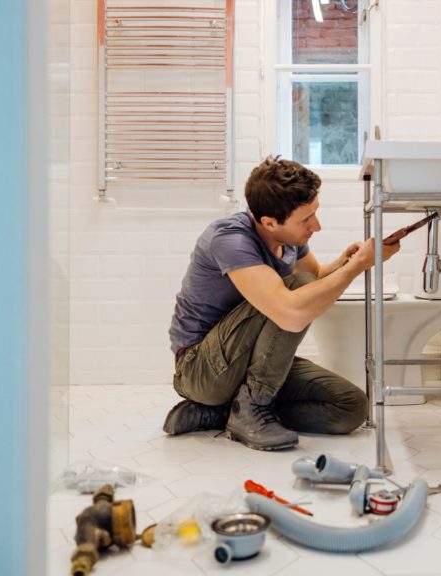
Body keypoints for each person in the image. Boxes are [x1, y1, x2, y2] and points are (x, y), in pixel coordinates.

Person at [163, 156, 401, 450]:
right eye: (306, 219)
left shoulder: (290, 238)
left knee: (350, 406)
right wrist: (357, 267)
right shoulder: (229, 238)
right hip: (201, 369)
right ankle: (251, 407)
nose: (317, 225)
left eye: (315, 213)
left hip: (245, 361)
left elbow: (315, 277)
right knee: (295, 292)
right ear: (269, 223)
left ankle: (226, 412)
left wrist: (347, 262)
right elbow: (290, 313)